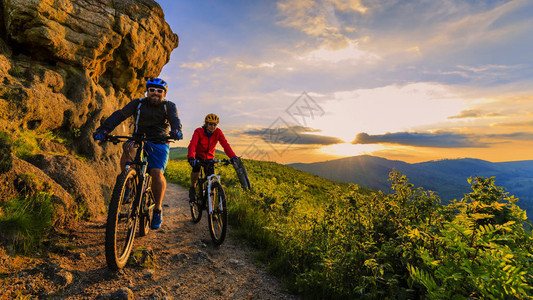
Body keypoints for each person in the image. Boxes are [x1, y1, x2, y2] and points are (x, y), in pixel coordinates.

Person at [93, 78, 182, 230]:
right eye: (152, 90)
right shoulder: (138, 104)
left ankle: (158, 209)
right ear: (147, 91)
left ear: (164, 94)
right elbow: (120, 115)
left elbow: (174, 119)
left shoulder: (169, 106)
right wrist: (104, 129)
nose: (155, 93)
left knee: (156, 173)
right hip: (139, 138)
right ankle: (127, 184)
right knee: (128, 150)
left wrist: (176, 130)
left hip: (160, 141)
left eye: (159, 91)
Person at [187, 113, 238, 201]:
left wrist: (233, 156)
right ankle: (193, 186)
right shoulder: (199, 131)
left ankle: (212, 210)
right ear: (206, 124)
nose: (213, 127)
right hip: (198, 156)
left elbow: (225, 145)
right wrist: (191, 157)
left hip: (210, 158)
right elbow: (193, 145)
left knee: (212, 181)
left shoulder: (218, 132)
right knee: (196, 169)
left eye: (215, 125)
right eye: (210, 124)